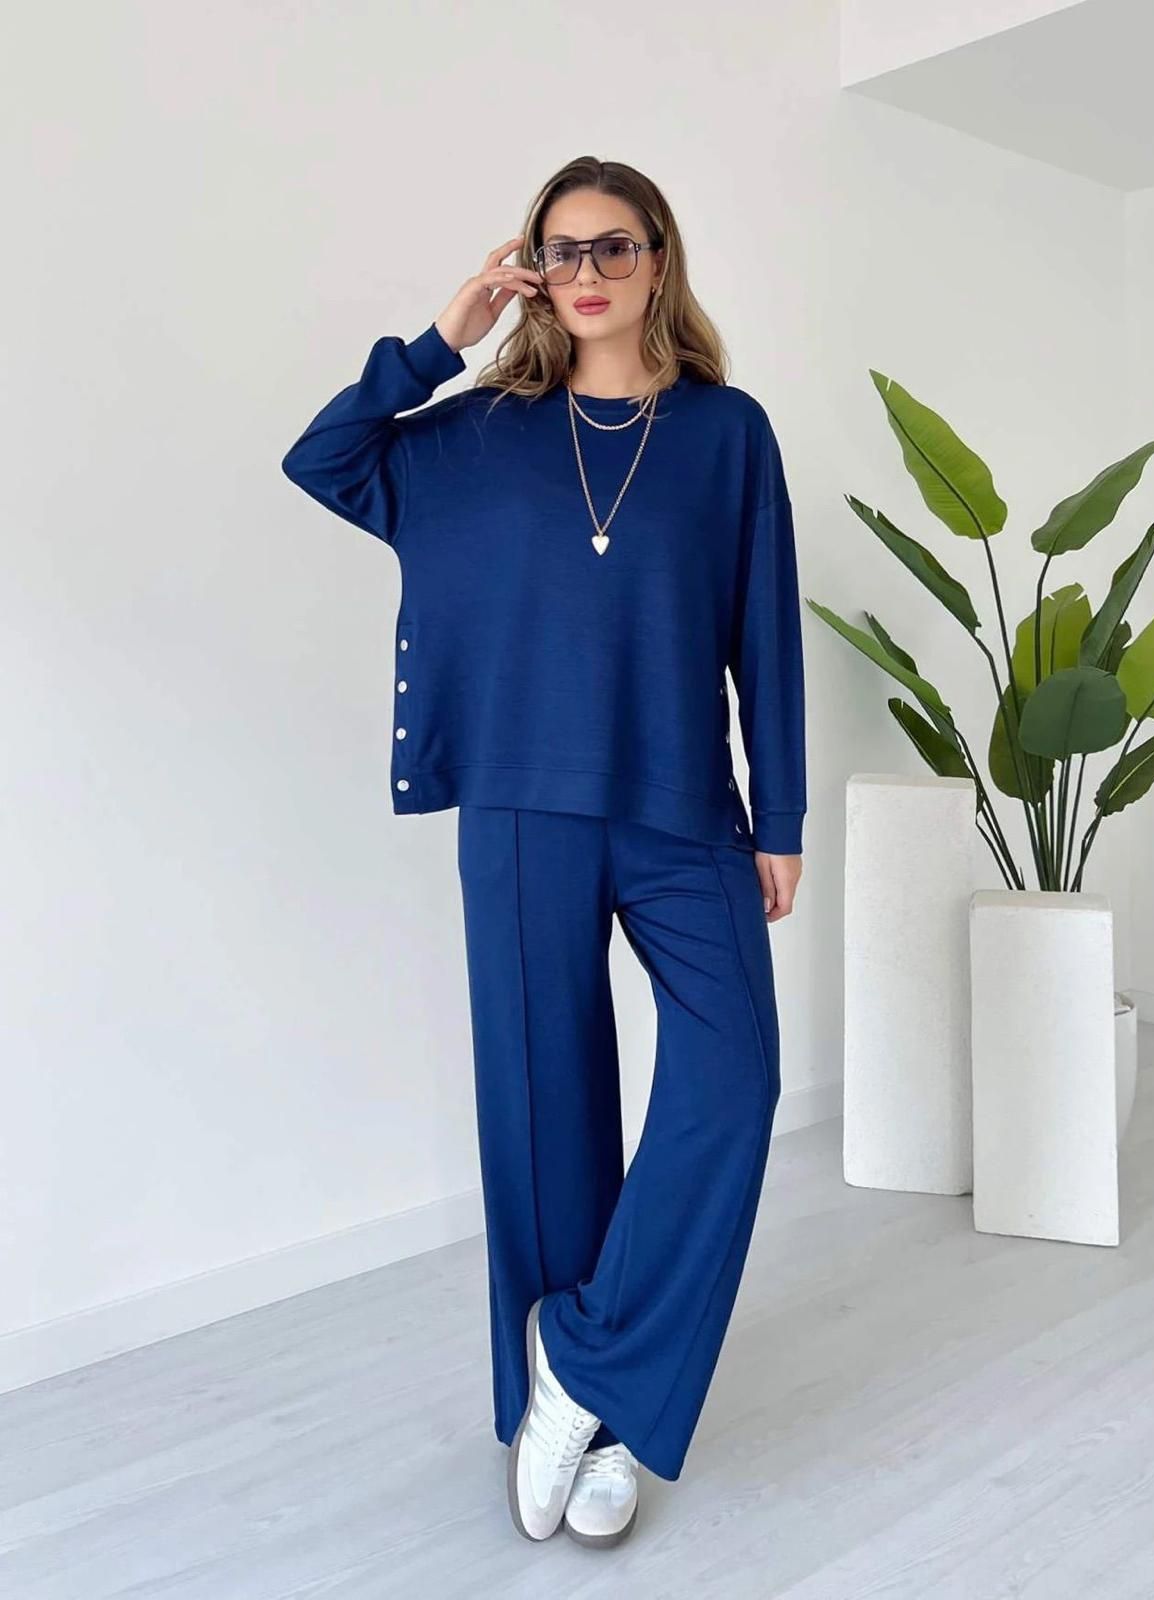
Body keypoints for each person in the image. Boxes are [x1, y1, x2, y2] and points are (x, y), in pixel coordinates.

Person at [281, 155, 807, 1547]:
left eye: (612, 247)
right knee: (545, 1107)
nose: (587, 273)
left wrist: (782, 818)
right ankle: (569, 1427)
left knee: (735, 1077)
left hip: (682, 810)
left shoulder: (727, 433)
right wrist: (437, 342)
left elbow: (766, 631)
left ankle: (588, 1367)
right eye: (560, 250)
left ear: (657, 261)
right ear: (532, 269)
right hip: (521, 807)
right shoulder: (476, 434)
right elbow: (324, 459)